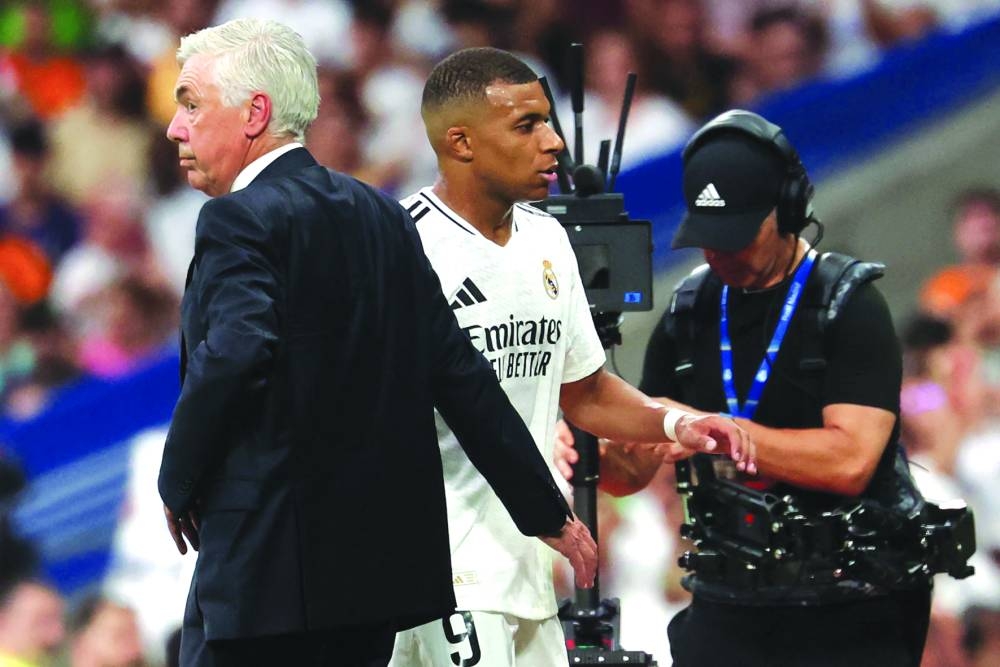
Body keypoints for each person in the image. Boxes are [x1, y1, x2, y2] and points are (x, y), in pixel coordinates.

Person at [157, 20, 598, 667]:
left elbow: (237, 351)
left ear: (256, 113)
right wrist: (547, 511)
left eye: (192, 102)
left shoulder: (237, 218)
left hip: (262, 586)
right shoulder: (380, 214)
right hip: (371, 593)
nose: (176, 126)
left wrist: (177, 480)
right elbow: (459, 374)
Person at [389, 47, 753, 667]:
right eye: (527, 125)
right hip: (442, 575)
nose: (554, 142)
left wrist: (678, 423)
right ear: (461, 142)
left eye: (550, 121)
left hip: (533, 569)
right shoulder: (401, 245)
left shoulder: (548, 238)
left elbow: (586, 393)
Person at [636, 109, 932, 666]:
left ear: (789, 208)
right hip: (730, 597)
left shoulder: (846, 302)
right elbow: (636, 460)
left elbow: (850, 460)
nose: (719, 254)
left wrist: (720, 434)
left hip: (855, 603)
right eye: (707, 238)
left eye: (737, 236)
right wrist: (599, 444)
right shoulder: (690, 309)